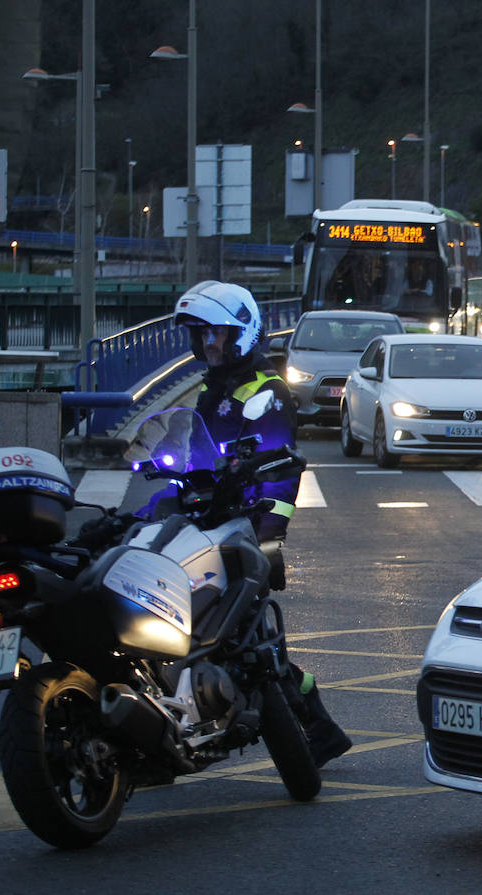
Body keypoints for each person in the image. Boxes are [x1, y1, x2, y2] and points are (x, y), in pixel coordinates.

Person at [167, 281, 352, 768]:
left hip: (242, 539)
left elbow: (278, 477)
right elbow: (191, 465)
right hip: (203, 534)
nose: (209, 345)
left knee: (257, 653)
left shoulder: (265, 394)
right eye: (201, 335)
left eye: (219, 335)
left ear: (243, 334)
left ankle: (318, 731)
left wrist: (266, 536)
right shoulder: (213, 388)